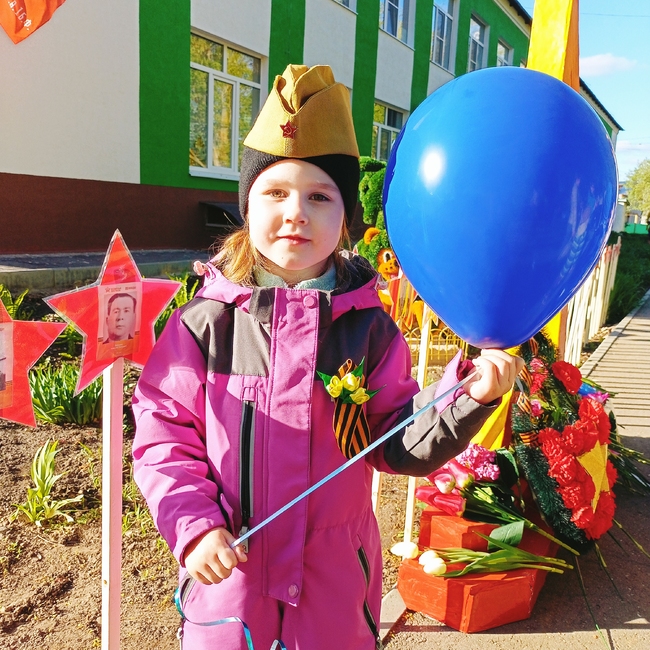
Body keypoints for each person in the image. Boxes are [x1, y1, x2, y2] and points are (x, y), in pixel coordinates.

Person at [132, 64, 523, 650]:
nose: (296, 212)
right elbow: (164, 437)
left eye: (319, 196)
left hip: (333, 590)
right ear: (247, 207)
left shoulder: (369, 329)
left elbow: (395, 439)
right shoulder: (205, 325)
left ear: (344, 220)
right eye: (275, 192)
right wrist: (194, 526)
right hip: (232, 586)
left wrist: (467, 396)